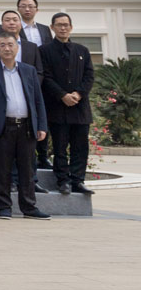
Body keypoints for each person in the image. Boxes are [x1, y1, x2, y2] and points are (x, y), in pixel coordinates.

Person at [0, 32, 51, 219]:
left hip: (26, 127)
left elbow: (38, 100)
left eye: (10, 44)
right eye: (2, 45)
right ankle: (4, 207)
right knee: (3, 169)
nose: (7, 48)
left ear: (17, 47)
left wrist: (41, 125)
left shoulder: (28, 70)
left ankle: (29, 207)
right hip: (3, 127)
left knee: (27, 169)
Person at [41, 12, 94, 195]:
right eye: (59, 25)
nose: (63, 28)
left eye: (66, 25)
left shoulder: (82, 50)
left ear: (71, 27)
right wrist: (62, 95)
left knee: (80, 147)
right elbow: (46, 77)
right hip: (57, 107)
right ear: (52, 27)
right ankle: (63, 180)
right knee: (60, 147)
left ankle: (78, 180)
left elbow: (89, 76)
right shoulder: (44, 51)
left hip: (80, 107)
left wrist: (78, 94)